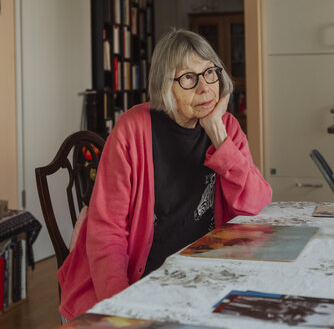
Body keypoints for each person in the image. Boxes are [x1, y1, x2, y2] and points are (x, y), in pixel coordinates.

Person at [58, 28, 272, 320]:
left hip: (201, 275)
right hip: (138, 279)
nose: (205, 87)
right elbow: (107, 231)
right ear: (164, 85)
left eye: (210, 72)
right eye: (188, 78)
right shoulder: (131, 130)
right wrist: (124, 307)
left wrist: (220, 137)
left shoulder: (227, 127)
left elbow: (255, 203)